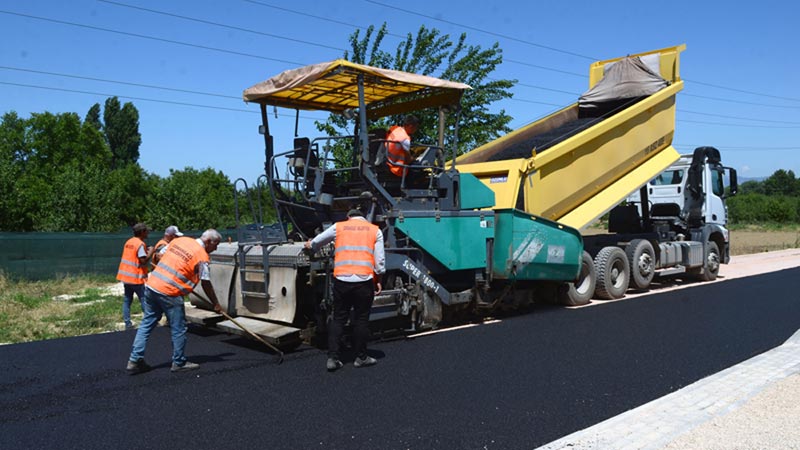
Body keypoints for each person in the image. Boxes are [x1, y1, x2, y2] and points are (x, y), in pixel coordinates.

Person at [126, 229, 223, 374]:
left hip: (153, 286)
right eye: (215, 245)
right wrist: (215, 303)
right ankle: (179, 362)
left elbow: (158, 257)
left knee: (147, 323)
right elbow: (205, 283)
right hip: (170, 293)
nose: (215, 249)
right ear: (209, 241)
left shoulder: (180, 241)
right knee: (179, 328)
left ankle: (134, 360)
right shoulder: (202, 257)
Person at [305, 208, 385, 372]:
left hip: (342, 281)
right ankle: (361, 357)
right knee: (361, 319)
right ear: (363, 217)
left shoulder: (339, 226)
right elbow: (380, 263)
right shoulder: (375, 231)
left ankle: (333, 358)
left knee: (339, 318)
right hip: (364, 281)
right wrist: (378, 280)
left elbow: (317, 242)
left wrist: (310, 245)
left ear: (348, 217)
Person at [116, 222, 155, 329]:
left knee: (127, 300)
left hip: (126, 277)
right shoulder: (140, 244)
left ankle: (127, 323)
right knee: (143, 299)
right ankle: (149, 321)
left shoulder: (129, 242)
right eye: (147, 231)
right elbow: (143, 261)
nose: (148, 233)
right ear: (142, 232)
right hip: (135, 278)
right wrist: (151, 252)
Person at [385, 115, 420, 180]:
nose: (416, 130)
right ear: (411, 126)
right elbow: (408, 160)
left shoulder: (394, 129)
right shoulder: (405, 138)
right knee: (418, 167)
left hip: (386, 161)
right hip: (396, 168)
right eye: (416, 127)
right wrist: (414, 158)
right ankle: (411, 187)